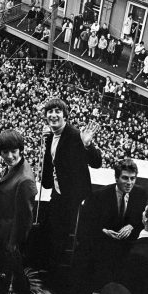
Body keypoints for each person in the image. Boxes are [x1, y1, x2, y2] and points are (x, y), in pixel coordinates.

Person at [41, 98, 102, 268]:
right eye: (50, 112)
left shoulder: (76, 135)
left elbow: (96, 163)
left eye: (57, 111)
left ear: (65, 115)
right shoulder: (51, 135)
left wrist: (88, 144)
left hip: (72, 199)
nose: (53, 115)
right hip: (58, 192)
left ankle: (58, 274)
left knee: (62, 238)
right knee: (52, 233)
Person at [73, 158, 148, 294]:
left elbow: (141, 218)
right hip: (102, 248)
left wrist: (131, 225)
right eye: (125, 178)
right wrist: (104, 231)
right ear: (116, 178)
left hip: (126, 250)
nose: (129, 183)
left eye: (133, 178)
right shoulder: (99, 196)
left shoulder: (141, 193)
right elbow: (86, 224)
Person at [0, 130, 38, 294]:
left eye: (14, 151)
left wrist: (13, 243)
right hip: (3, 230)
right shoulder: (16, 167)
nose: (10, 156)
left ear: (21, 150)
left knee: (15, 272)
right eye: (5, 152)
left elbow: (25, 218)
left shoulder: (25, 179)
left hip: (10, 236)